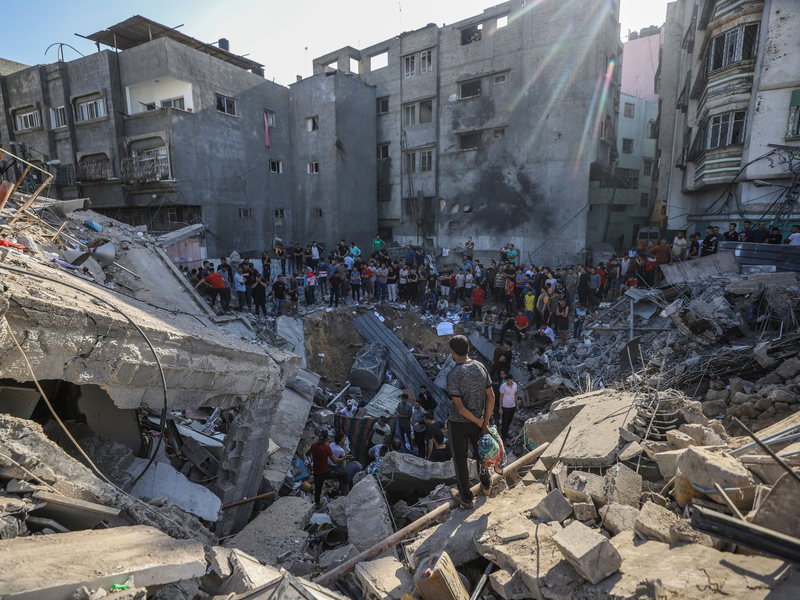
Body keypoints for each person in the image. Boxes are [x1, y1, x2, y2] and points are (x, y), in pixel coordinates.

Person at [446, 335, 494, 508]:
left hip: (459, 423)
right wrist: (484, 422)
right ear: (468, 349)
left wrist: (480, 422)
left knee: (460, 460)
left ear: (452, 352)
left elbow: (461, 409)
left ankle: (466, 498)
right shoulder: (480, 367)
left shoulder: (453, 374)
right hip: (480, 420)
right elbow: (491, 396)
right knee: (481, 454)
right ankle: (487, 485)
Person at [310, 430, 351, 507]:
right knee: (344, 475)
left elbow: (308, 453)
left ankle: (317, 505)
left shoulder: (313, 445)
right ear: (326, 438)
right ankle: (347, 495)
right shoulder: (326, 448)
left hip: (316, 472)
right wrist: (345, 458)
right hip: (325, 472)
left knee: (318, 490)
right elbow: (335, 461)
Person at [498, 373, 518, 442]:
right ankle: (503, 436)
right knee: (504, 421)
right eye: (507, 380)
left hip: (512, 405)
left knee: (509, 420)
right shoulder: (503, 386)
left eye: (509, 380)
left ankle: (506, 433)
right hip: (505, 406)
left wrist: (517, 404)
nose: (507, 382)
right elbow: (501, 397)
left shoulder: (515, 385)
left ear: (511, 380)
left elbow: (515, 395)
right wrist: (500, 408)